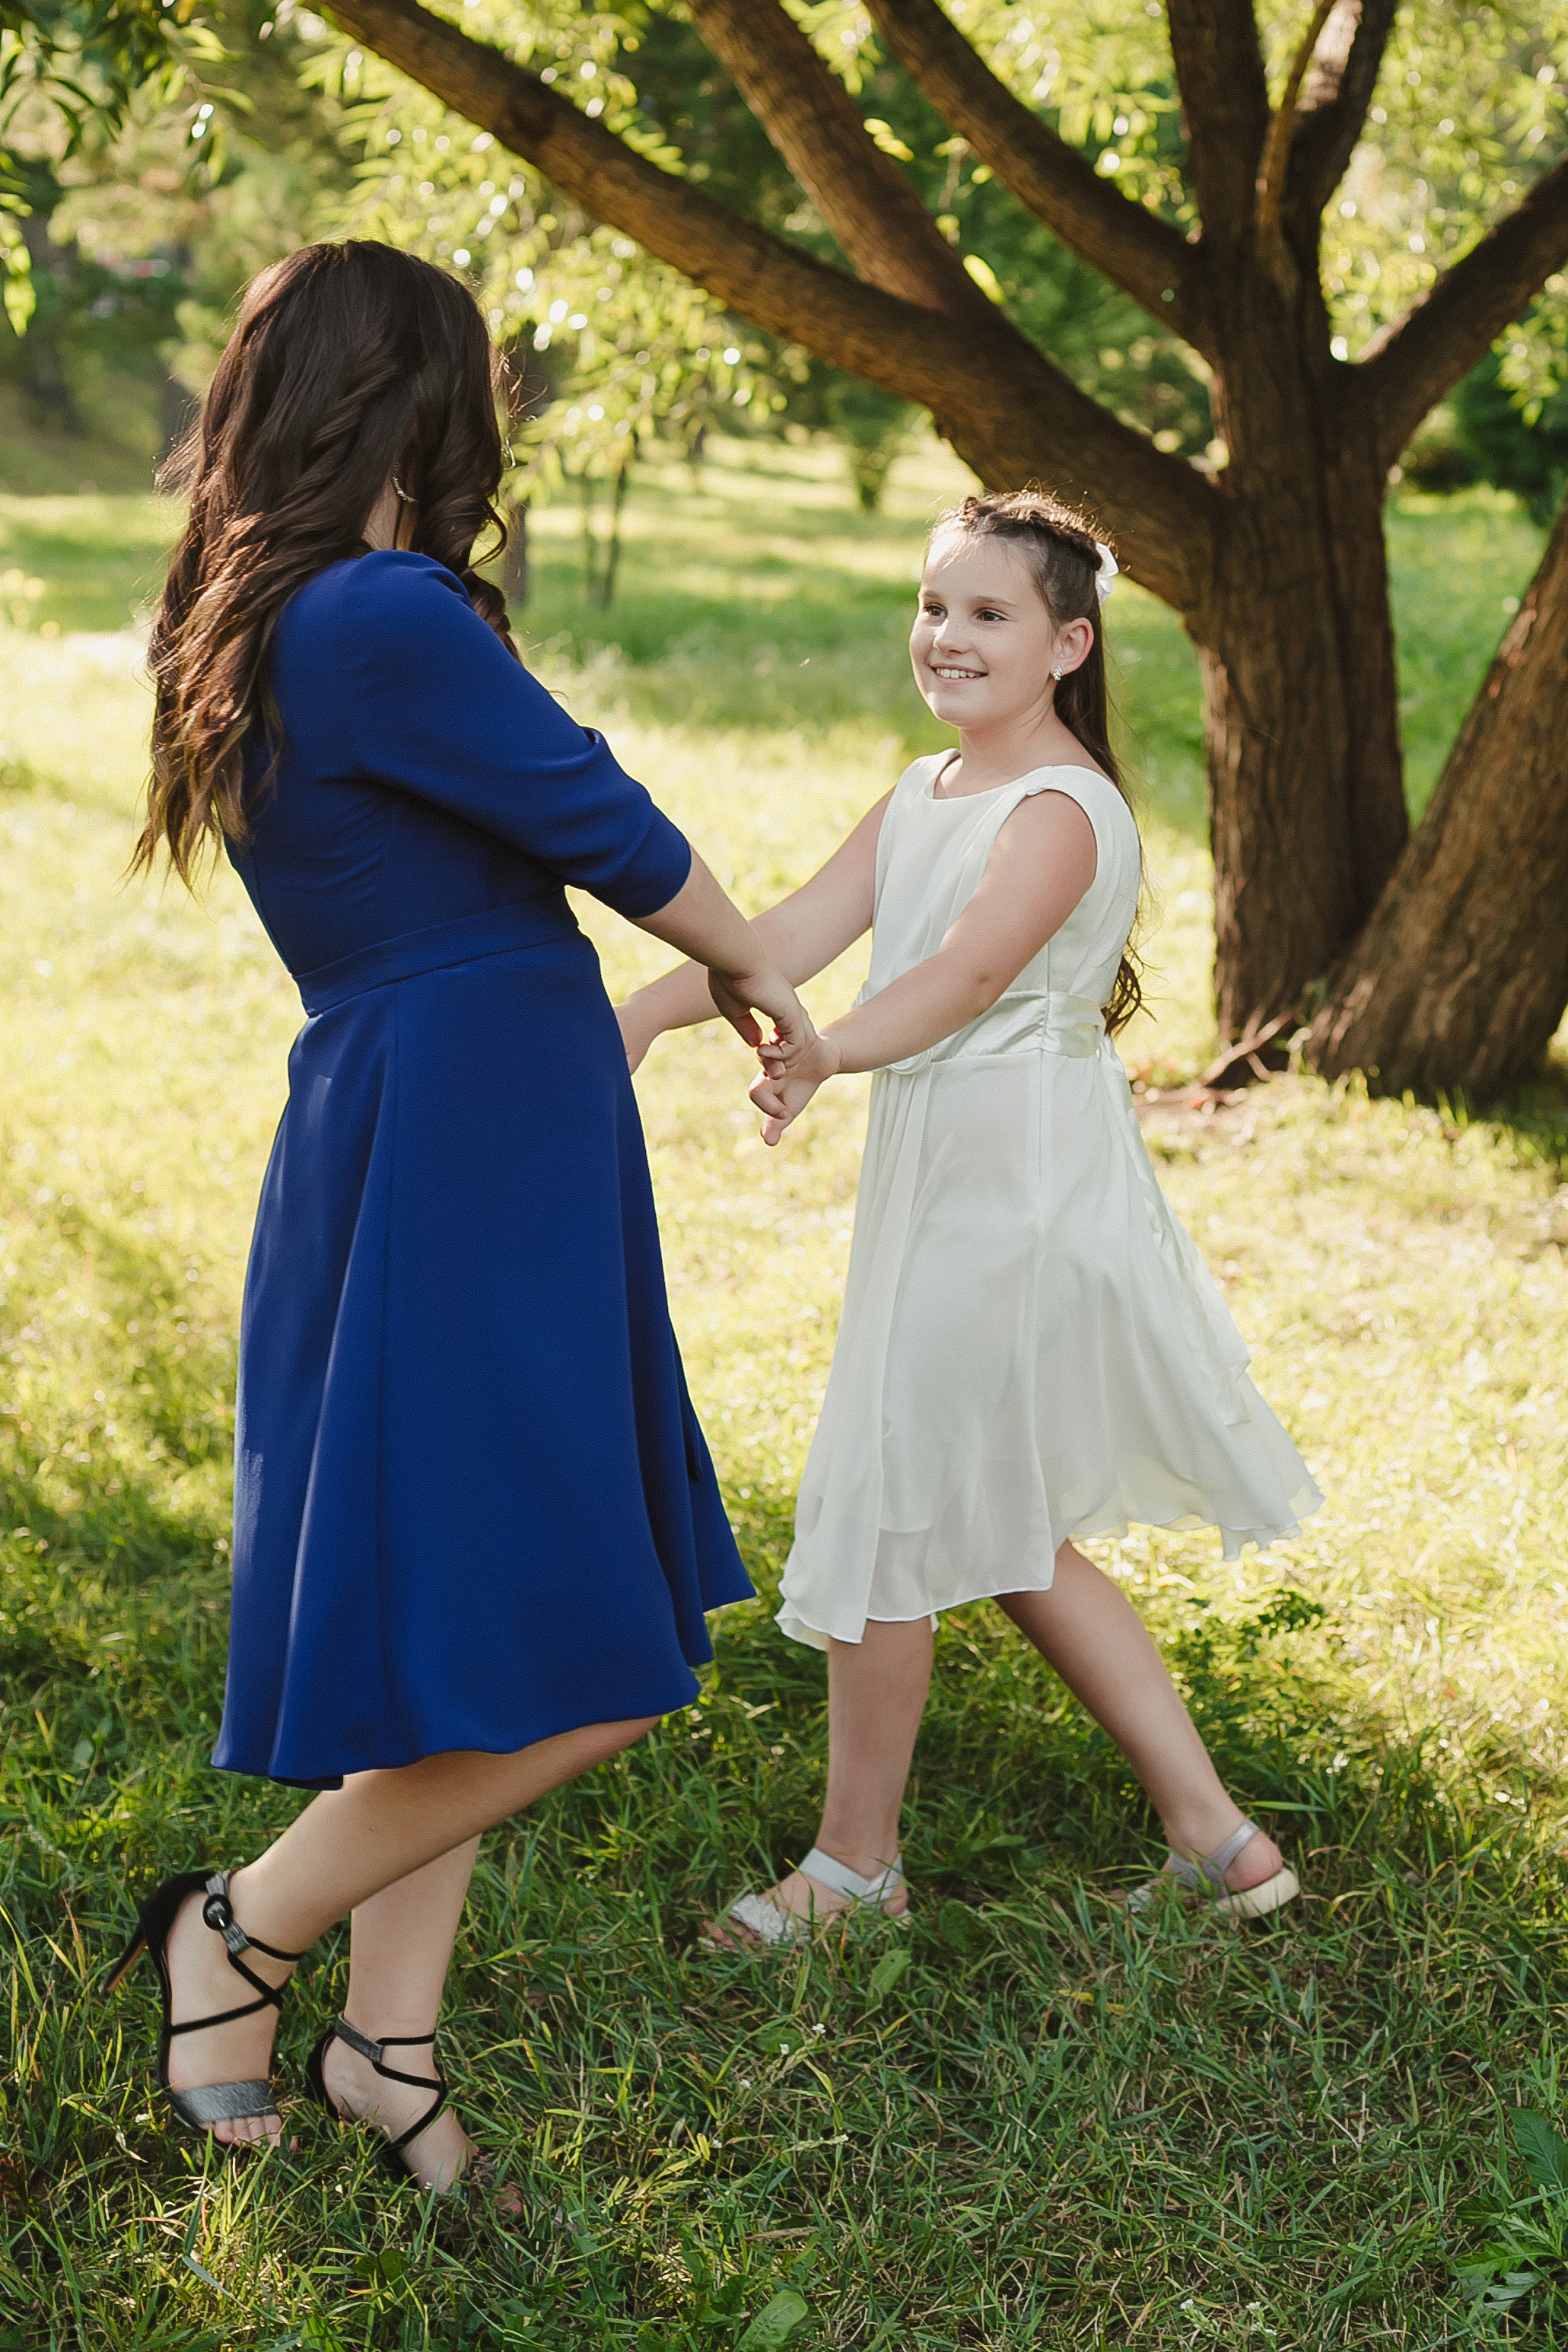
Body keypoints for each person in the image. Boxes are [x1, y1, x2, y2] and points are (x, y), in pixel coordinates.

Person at [103, 240, 813, 2191]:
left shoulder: (281, 612)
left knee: (470, 1615)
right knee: (585, 1651)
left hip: (459, 1102)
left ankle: (387, 2055)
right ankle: (238, 1931)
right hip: (458, 1118)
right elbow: (601, 814)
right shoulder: (379, 615)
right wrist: (761, 974)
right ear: (417, 393)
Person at [616, 489, 1323, 1949]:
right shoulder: (922, 789)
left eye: (990, 613)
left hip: (1021, 1188)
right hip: (949, 1174)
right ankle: (1223, 1846)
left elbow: (963, 981)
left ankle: (852, 1871)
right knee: (994, 1524)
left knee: (895, 1491)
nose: (949, 635)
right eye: (935, 605)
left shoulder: (1061, 809)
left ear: (1068, 643)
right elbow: (791, 938)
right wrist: (643, 1011)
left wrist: (827, 1052)